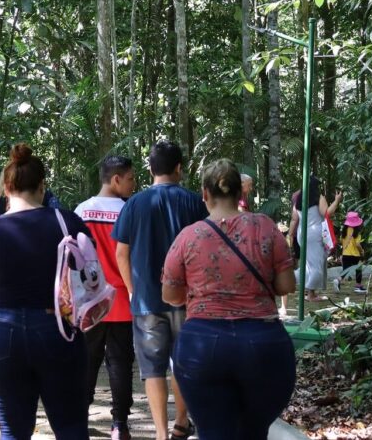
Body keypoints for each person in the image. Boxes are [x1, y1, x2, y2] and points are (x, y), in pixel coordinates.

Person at [0, 143, 93, 439]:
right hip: (57, 331)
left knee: (12, 429)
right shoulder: (68, 222)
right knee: (71, 426)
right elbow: (87, 275)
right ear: (42, 186)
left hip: (3, 333)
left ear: (6, 189)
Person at [162, 159, 297, 439]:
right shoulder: (266, 227)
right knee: (253, 431)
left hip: (203, 347)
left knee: (213, 432)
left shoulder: (188, 236)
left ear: (205, 194)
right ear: (241, 193)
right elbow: (286, 285)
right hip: (263, 345)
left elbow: (170, 295)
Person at [113, 141, 207, 440]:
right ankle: (181, 421)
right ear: (179, 167)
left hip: (146, 300)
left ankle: (161, 434)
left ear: (150, 168)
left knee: (152, 368)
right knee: (181, 362)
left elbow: (121, 253)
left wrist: (131, 289)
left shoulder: (134, 203)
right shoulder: (194, 202)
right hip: (185, 299)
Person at [74, 156, 138, 440]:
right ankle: (119, 425)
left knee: (87, 362)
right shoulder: (130, 211)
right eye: (130, 178)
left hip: (91, 303)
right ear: (116, 180)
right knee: (121, 365)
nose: (133, 184)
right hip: (123, 301)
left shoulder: (82, 211)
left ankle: (78, 417)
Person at [286, 178, 342, 301]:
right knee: (316, 264)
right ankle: (310, 294)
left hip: (302, 233)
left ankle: (289, 278)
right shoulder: (318, 197)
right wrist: (337, 201)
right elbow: (327, 213)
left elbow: (294, 218)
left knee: (308, 264)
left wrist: (290, 234)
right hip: (314, 234)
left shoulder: (299, 199)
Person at [337, 211, 366, 293]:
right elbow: (357, 244)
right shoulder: (357, 232)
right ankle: (358, 285)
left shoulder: (344, 232)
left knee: (345, 269)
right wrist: (361, 251)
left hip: (346, 254)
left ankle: (338, 280)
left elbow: (341, 242)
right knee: (359, 269)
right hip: (355, 255)